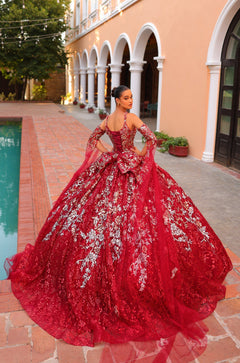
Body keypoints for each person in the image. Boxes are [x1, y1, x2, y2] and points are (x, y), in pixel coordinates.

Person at [5, 85, 232, 362]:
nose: (130, 101)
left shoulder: (107, 120)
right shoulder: (132, 119)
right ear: (117, 100)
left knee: (99, 215)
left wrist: (112, 153)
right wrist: (137, 155)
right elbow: (152, 140)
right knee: (142, 219)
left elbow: (93, 140)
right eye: (126, 98)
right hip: (131, 170)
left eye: (131, 97)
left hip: (112, 166)